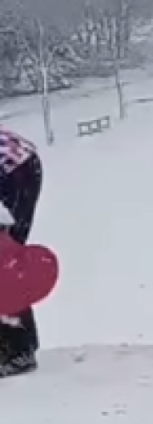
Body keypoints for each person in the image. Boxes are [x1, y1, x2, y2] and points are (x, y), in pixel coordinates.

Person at [0, 127, 42, 379]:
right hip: (18, 165)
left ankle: (19, 351)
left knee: (4, 262)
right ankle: (19, 343)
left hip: (16, 170)